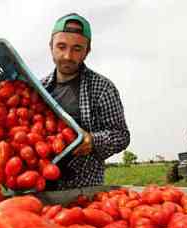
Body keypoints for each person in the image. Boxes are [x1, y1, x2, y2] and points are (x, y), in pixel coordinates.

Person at [42, 13, 130, 190]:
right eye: (61, 46)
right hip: (41, 187)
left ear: (87, 51)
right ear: (51, 46)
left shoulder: (102, 88)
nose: (67, 55)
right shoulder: (39, 89)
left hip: (84, 191)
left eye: (77, 48)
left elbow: (121, 136)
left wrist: (93, 141)